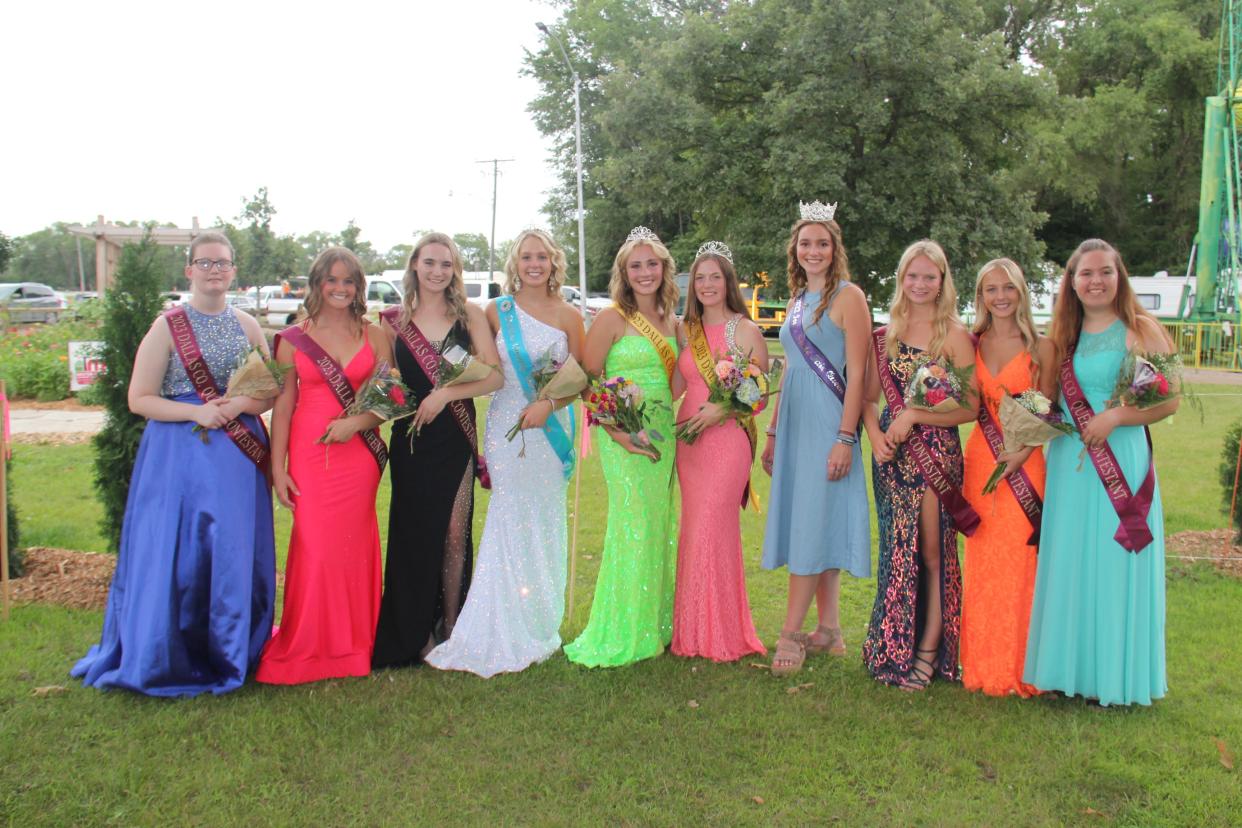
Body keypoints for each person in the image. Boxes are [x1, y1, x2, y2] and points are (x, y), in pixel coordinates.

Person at [73, 231, 276, 696]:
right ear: (189, 271)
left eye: (223, 263)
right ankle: (168, 650)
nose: (214, 271)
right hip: (178, 454)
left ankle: (230, 648)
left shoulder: (247, 324)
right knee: (176, 551)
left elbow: (270, 388)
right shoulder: (167, 327)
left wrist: (239, 402)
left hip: (236, 458)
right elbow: (139, 398)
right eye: (205, 263)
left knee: (230, 551)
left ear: (233, 271)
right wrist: (197, 411)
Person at [1023, 239, 1176, 706]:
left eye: (1105, 272)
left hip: (1120, 465)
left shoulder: (1141, 330)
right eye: (1085, 273)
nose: (1095, 281)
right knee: (1070, 563)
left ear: (1119, 276)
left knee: (1114, 565)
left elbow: (1167, 400)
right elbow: (1046, 400)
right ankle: (1066, 675)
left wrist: (1116, 417)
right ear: (1071, 281)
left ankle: (1112, 680)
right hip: (1071, 468)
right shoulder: (1063, 337)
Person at [426, 229, 584, 677]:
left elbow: (583, 376)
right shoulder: (495, 311)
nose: (535, 264)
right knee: (509, 518)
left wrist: (549, 404)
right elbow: (472, 360)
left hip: (549, 427)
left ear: (554, 262)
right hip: (505, 426)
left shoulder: (570, 316)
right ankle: (498, 620)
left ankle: (538, 620)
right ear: (515, 263)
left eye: (542, 257)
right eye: (526, 257)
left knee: (545, 519)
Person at [257, 247, 391, 685]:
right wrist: (277, 469)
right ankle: (309, 643)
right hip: (311, 454)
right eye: (331, 280)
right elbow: (283, 406)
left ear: (358, 287)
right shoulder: (292, 339)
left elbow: (394, 398)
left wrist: (356, 424)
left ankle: (354, 643)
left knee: (352, 545)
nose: (339, 288)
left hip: (359, 455)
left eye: (348, 280)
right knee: (315, 547)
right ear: (316, 285)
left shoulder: (375, 336)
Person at [372, 232, 503, 669]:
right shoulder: (392, 322)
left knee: (452, 534)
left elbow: (494, 378)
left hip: (455, 437)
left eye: (445, 264)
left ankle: (452, 627)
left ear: (454, 270)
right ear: (414, 266)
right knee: (414, 534)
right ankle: (416, 632)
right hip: (412, 440)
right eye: (429, 263)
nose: (437, 271)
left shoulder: (467, 315)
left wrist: (446, 395)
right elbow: (384, 386)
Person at [861, 240, 979, 691]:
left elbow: (969, 407)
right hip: (891, 455)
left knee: (931, 553)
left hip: (935, 456)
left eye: (930, 276)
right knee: (896, 549)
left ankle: (930, 649)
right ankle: (891, 646)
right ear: (901, 279)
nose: (921, 284)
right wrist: (875, 437)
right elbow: (868, 398)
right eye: (913, 275)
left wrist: (914, 415)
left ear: (943, 281)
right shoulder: (887, 330)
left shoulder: (953, 334)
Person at [760, 203, 871, 676]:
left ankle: (790, 633)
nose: (814, 250)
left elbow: (860, 374)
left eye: (822, 243)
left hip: (829, 423)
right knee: (816, 521)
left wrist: (845, 437)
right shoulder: (796, 301)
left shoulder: (850, 298)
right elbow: (791, 368)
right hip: (794, 425)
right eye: (806, 243)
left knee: (810, 522)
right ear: (795, 250)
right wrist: (771, 431)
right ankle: (828, 630)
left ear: (835, 248)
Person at [563, 226, 679, 668]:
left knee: (656, 526)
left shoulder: (672, 319)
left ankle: (651, 625)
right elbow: (587, 383)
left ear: (664, 269)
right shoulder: (611, 318)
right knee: (632, 525)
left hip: (661, 436)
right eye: (637, 266)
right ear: (624, 273)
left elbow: (677, 382)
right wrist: (619, 434)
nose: (646, 272)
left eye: (653, 264)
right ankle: (622, 628)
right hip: (622, 437)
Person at [960, 258, 1056, 697]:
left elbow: (1049, 409)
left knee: (1021, 565)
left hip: (1026, 466)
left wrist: (1022, 452)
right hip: (981, 459)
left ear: (1021, 292)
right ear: (980, 296)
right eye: (990, 289)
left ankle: (1021, 667)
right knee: (982, 566)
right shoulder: (971, 343)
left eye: (1008, 288)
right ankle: (980, 665)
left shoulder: (1042, 347)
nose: (1000, 297)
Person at [670, 241, 767, 663]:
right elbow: (676, 385)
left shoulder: (746, 330)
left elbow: (759, 392)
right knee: (695, 529)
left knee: (713, 524)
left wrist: (722, 408)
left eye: (716, 276)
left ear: (728, 283)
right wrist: (629, 400)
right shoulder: (682, 329)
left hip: (728, 441)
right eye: (700, 277)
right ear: (692, 284)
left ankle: (722, 632)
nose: (707, 284)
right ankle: (692, 631)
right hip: (689, 439)